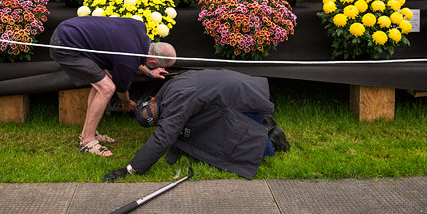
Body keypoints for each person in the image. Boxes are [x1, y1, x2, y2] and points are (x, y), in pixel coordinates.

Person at [102, 69, 290, 181]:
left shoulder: (176, 105)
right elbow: (172, 130)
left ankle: (271, 141)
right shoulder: (169, 88)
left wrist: (131, 169)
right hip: (246, 86)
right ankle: (262, 123)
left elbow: (163, 138)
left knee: (238, 141)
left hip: (245, 102)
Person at [49, 15, 177, 157]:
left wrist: (149, 71)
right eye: (156, 65)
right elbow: (122, 88)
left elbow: (133, 54)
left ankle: (88, 133)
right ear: (153, 61)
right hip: (64, 45)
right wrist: (127, 102)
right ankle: (87, 142)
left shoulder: (139, 27)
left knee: (101, 84)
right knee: (107, 87)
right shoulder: (128, 59)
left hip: (69, 28)